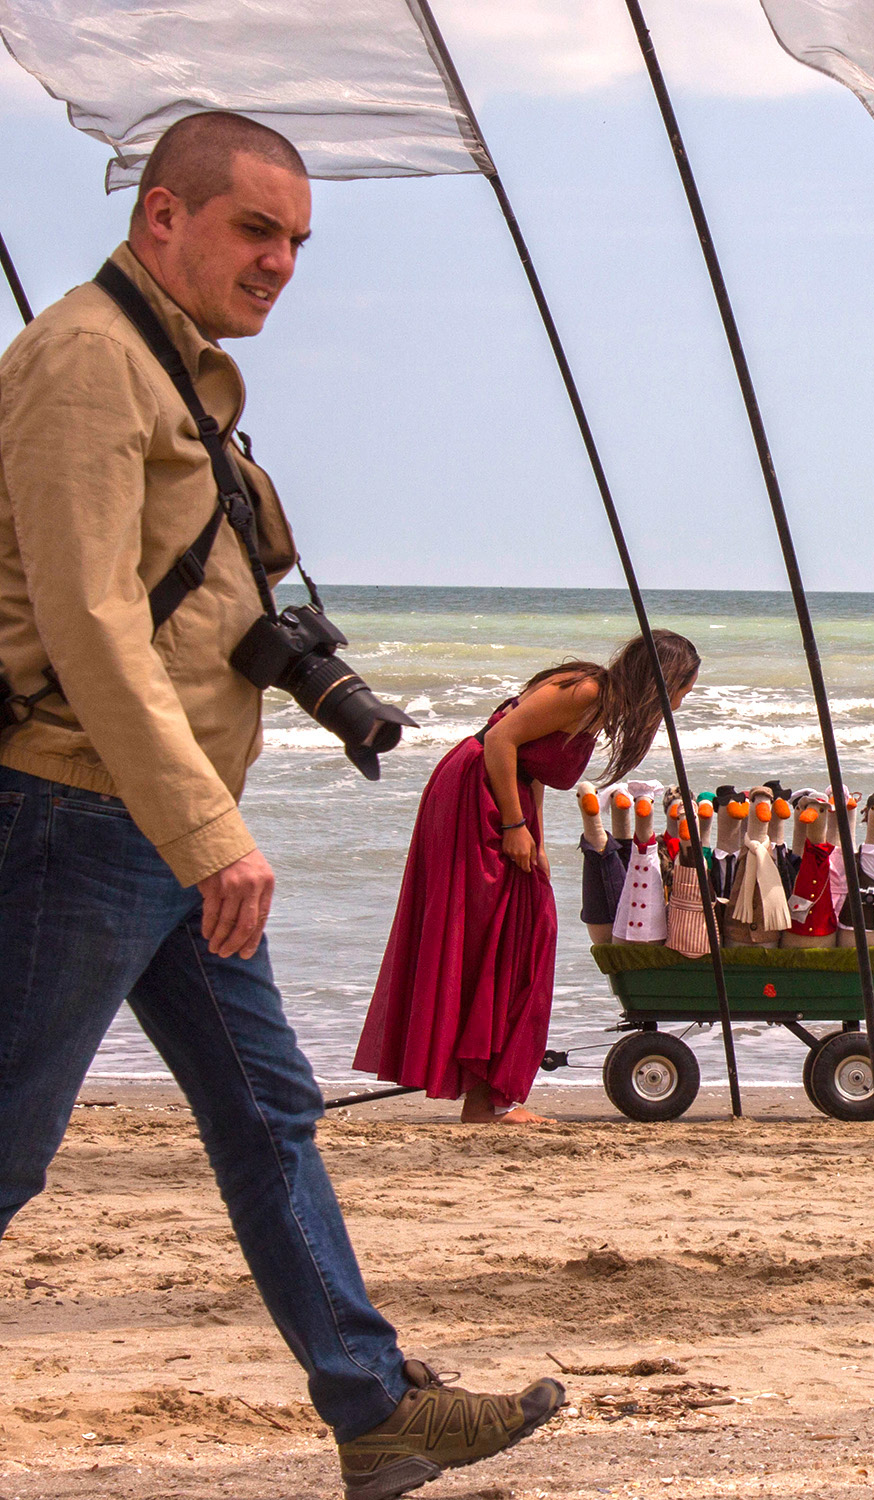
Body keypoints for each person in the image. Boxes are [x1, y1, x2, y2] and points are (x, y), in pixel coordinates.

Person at [0, 112, 561, 1498]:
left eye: (298, 240)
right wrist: (207, 835)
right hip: (79, 812)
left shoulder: (168, 372)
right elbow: (89, 622)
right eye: (256, 230)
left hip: (156, 824)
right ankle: (371, 1403)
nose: (281, 264)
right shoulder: (84, 359)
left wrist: (196, 829)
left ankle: (373, 1412)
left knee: (270, 1116)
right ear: (163, 221)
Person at [355, 631, 700, 1123]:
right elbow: (500, 741)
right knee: (499, 935)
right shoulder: (585, 692)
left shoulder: (601, 705)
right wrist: (514, 826)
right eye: (683, 688)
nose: (683, 701)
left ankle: (490, 1095)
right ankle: (488, 1098)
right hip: (475, 798)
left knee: (524, 932)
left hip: (505, 797)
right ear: (662, 681)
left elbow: (532, 765)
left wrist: (534, 837)